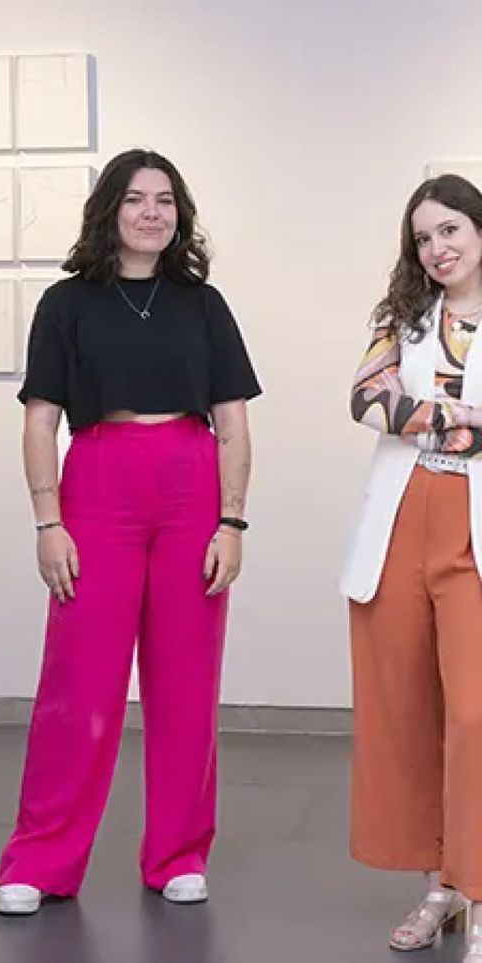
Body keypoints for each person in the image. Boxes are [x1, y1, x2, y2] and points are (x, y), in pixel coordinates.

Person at [0, 148, 261, 915]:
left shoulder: (203, 305)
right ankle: (40, 859)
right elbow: (40, 421)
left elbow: (233, 425)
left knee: (186, 680)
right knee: (79, 680)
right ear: (109, 210)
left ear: (180, 214)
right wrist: (47, 520)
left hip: (190, 484)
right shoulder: (66, 303)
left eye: (165, 200)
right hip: (98, 482)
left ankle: (178, 852)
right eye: (137, 199)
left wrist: (231, 521)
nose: (152, 212)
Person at [343, 173, 482, 963]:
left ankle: (480, 887)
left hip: (472, 530)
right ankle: (441, 886)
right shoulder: (401, 317)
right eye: (423, 237)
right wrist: (464, 418)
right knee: (409, 712)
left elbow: (396, 408)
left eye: (451, 229)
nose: (437, 248)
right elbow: (366, 398)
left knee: (475, 716)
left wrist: (420, 412)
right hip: (399, 524)